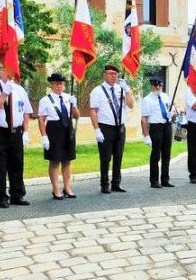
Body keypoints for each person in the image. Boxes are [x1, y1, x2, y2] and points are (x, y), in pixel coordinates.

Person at [0, 61, 33, 208]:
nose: (10, 72)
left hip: (16, 131)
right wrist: (5, 92)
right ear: (0, 71)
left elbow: (26, 112)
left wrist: (26, 132)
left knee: (17, 164)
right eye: (6, 69)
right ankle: (1, 197)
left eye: (12, 69)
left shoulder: (19, 89)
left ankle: (17, 194)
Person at [90, 64, 135, 194]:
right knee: (105, 158)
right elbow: (93, 111)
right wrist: (96, 129)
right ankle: (105, 184)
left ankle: (116, 183)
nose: (113, 76)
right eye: (110, 73)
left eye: (115, 74)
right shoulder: (97, 91)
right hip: (105, 127)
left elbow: (131, 105)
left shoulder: (121, 89)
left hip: (120, 127)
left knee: (118, 156)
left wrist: (127, 90)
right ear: (105, 75)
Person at [38, 73, 79, 199]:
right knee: (55, 161)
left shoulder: (69, 97)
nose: (59, 86)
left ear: (64, 85)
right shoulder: (45, 100)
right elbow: (41, 119)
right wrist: (44, 136)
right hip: (54, 130)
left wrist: (74, 105)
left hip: (67, 130)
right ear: (51, 85)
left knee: (67, 161)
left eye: (61, 84)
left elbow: (77, 116)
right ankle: (56, 189)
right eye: (56, 84)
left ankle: (67, 187)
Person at [141, 76, 174, 188]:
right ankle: (154, 181)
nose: (158, 87)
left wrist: (171, 114)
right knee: (156, 155)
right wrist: (146, 136)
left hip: (167, 126)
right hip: (156, 128)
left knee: (167, 154)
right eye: (156, 85)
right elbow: (144, 119)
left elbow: (171, 109)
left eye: (160, 85)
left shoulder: (165, 97)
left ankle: (165, 179)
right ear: (152, 86)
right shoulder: (147, 100)